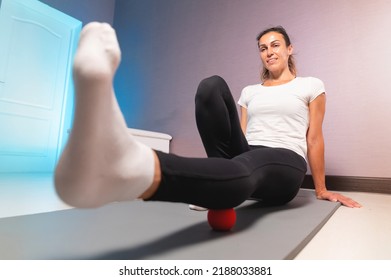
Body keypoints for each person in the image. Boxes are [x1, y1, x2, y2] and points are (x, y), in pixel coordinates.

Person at [54, 22, 361, 210]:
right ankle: (218, 183)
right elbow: (237, 137)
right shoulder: (250, 91)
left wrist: (320, 189)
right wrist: (229, 158)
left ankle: (137, 167)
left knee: (250, 163)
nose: (269, 52)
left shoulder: (311, 85)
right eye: (263, 48)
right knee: (211, 86)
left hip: (285, 162)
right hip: (248, 153)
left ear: (290, 49)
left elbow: (314, 137)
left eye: (275, 45)